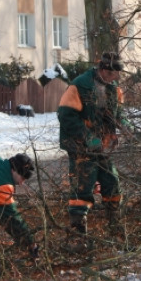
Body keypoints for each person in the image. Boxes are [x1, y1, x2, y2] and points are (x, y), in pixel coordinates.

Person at [57, 52, 127, 237]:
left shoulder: (113, 88)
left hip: (102, 146)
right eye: (113, 74)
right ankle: (78, 235)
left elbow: (118, 113)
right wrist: (87, 138)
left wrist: (125, 126)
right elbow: (65, 116)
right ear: (103, 70)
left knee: (112, 182)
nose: (116, 78)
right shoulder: (80, 85)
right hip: (80, 147)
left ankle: (115, 228)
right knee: (83, 187)